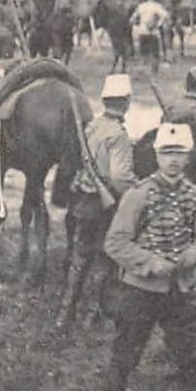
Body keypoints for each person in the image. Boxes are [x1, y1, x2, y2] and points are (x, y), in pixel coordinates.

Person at [99, 123, 196, 391]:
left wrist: (194, 253)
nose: (173, 161)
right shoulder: (138, 195)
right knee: (126, 356)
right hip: (140, 292)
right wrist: (150, 262)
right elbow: (115, 243)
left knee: (192, 353)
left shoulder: (193, 194)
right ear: (156, 156)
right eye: (167, 153)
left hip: (181, 290)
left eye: (180, 153)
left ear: (188, 155)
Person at [63, 75, 138, 327]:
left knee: (80, 255)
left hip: (82, 200)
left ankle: (65, 312)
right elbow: (120, 178)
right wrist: (135, 192)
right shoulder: (118, 134)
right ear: (126, 102)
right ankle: (92, 314)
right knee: (105, 256)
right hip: (104, 204)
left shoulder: (91, 128)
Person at [132, 0, 169, 74]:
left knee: (142, 52)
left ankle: (141, 70)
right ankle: (154, 71)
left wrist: (137, 25)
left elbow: (133, 18)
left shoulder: (141, 6)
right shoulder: (157, 6)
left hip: (142, 30)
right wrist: (159, 24)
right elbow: (165, 16)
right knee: (154, 53)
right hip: (153, 32)